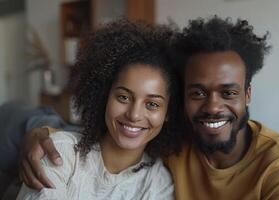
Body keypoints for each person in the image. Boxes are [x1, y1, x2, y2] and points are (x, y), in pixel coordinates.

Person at [19, 16, 279, 200]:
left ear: (248, 93)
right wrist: (41, 132)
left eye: (228, 92)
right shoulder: (175, 149)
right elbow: (99, 142)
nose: (213, 106)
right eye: (198, 92)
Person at [16, 19, 180, 199]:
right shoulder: (60, 153)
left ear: (168, 113)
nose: (134, 115)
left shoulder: (158, 184)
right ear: (105, 96)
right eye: (123, 97)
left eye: (152, 104)